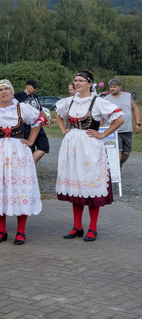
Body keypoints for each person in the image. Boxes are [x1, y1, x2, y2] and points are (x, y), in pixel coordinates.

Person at [55, 70, 124, 242]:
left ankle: (93, 228)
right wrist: (63, 130)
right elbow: (59, 115)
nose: (77, 83)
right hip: (72, 146)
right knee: (76, 185)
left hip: (90, 147)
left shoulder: (97, 102)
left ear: (89, 84)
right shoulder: (70, 101)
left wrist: (103, 134)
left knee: (91, 186)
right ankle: (77, 226)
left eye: (81, 80)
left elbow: (119, 119)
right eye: (75, 80)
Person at [0, 79, 45, 245]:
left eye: (6, 89)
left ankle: (21, 231)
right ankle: (2, 231)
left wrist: (31, 140)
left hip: (18, 153)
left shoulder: (21, 108)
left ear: (12, 92)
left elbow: (38, 121)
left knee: (20, 190)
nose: (4, 92)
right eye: (0, 90)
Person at [104, 78, 140, 168]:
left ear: (120, 87)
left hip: (127, 129)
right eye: (111, 87)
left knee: (126, 153)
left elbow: (135, 109)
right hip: (112, 130)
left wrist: (137, 124)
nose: (112, 88)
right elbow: (102, 115)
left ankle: (118, 166)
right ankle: (115, 172)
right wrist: (101, 128)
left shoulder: (127, 96)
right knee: (117, 152)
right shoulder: (106, 99)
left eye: (114, 87)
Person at [14, 79, 50, 164]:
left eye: (36, 87)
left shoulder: (35, 96)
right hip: (26, 126)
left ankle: (30, 166)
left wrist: (46, 119)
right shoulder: (18, 96)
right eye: (34, 87)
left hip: (37, 124)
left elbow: (40, 109)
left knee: (44, 146)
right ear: (28, 86)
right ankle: (27, 167)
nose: (35, 89)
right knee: (29, 148)